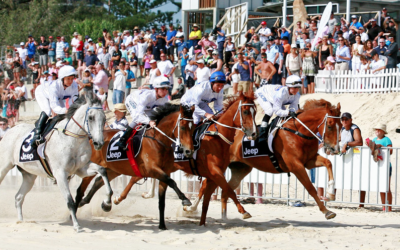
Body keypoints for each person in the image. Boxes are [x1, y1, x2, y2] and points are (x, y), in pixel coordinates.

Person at [116, 76, 171, 149]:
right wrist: (149, 121)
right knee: (137, 119)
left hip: (146, 106)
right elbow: (138, 115)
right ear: (156, 89)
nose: (165, 92)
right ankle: (122, 139)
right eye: (163, 89)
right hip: (132, 100)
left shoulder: (164, 100)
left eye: (167, 89)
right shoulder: (147, 96)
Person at [30, 66, 79, 147]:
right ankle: (37, 135)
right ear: (62, 78)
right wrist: (66, 110)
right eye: (68, 79)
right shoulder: (54, 87)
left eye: (72, 78)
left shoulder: (74, 85)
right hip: (42, 92)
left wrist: (70, 109)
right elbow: (55, 107)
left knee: (64, 114)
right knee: (47, 111)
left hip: (58, 97)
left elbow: (74, 101)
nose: (71, 81)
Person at [256, 75, 302, 141]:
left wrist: (292, 112)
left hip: (274, 96)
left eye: (298, 88)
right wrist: (288, 112)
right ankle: (262, 135)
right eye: (294, 88)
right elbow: (277, 111)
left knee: (285, 113)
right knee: (270, 111)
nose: (296, 90)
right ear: (288, 87)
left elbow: (293, 108)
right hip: (263, 92)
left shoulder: (297, 95)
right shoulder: (281, 94)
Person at [361, 124, 393, 211]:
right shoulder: (374, 139)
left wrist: (382, 147)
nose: (377, 131)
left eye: (379, 130)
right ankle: (384, 206)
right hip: (378, 165)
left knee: (387, 187)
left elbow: (391, 151)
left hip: (386, 165)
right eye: (376, 130)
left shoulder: (387, 139)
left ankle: (389, 207)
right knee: (381, 187)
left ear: (383, 131)